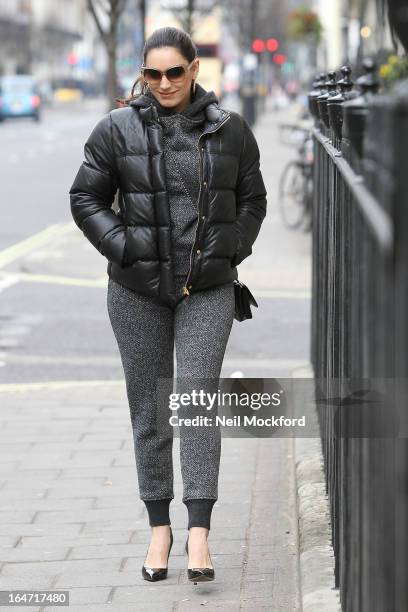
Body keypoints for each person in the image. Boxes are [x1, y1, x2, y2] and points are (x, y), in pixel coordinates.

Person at [69, 26, 267, 584]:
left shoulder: (232, 131)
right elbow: (84, 196)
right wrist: (123, 245)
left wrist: (232, 247)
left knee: (196, 400)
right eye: (152, 74)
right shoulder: (116, 128)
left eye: (173, 72)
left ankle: (199, 532)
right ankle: (160, 528)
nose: (162, 83)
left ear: (194, 68)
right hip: (136, 290)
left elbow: (253, 199)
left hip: (207, 289)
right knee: (151, 411)